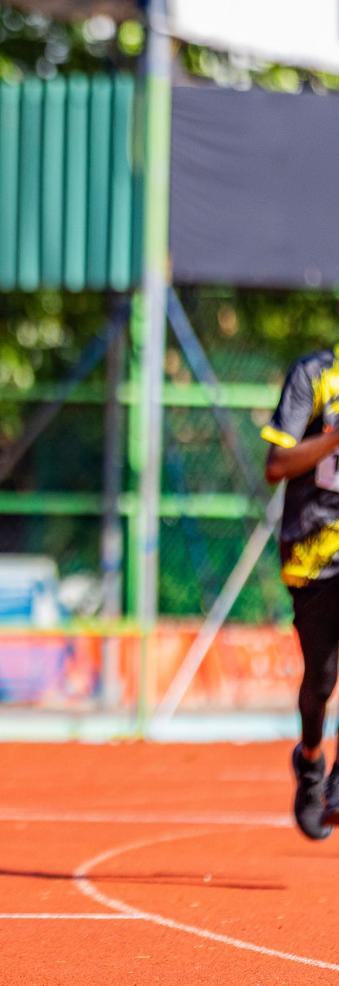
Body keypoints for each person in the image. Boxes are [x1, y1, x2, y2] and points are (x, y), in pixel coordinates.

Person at [264, 349, 339, 840]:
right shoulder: (315, 375)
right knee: (321, 681)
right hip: (314, 548)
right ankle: (310, 759)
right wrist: (333, 439)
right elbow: (276, 465)